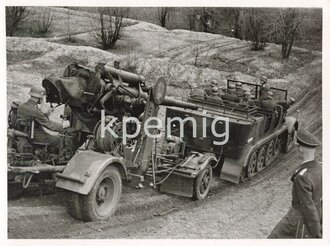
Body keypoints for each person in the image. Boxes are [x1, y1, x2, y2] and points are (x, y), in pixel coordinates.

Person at [268, 129, 322, 238]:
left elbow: (308, 207)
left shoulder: (302, 177)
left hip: (297, 221)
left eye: (298, 147)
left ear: (301, 149)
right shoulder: (321, 168)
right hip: (318, 216)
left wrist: (316, 233)